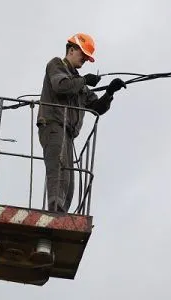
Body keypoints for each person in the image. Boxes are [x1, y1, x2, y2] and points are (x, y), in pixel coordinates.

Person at [37, 33, 126, 213]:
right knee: (59, 172)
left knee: (68, 181)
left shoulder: (80, 85)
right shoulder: (56, 65)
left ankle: (60, 214)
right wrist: (84, 80)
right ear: (71, 50)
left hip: (68, 135)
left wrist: (110, 92)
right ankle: (55, 212)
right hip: (53, 126)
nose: (85, 59)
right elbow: (60, 86)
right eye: (83, 55)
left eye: (87, 57)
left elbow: (96, 108)